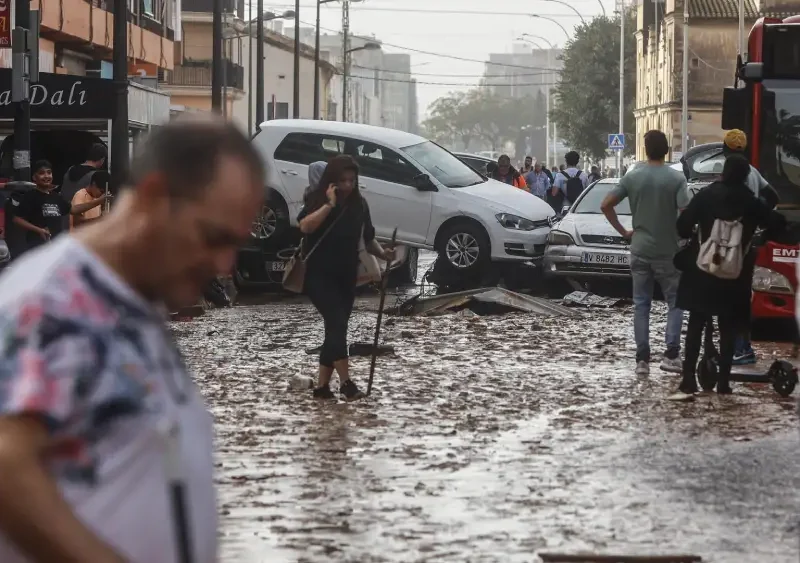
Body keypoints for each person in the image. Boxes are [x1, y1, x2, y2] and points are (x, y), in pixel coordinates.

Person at [0, 116, 263, 562]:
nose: (223, 263)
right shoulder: (55, 301)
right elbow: (6, 461)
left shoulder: (134, 299)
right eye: (214, 237)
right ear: (155, 198)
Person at [672, 154, 785, 398]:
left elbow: (682, 225)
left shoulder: (705, 195)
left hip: (701, 271)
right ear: (746, 177)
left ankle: (689, 380)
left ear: (723, 172)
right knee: (728, 326)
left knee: (696, 324)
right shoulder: (752, 203)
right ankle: (723, 383)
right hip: (735, 275)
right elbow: (778, 224)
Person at [299, 155, 395, 401]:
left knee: (335, 329)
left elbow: (368, 238)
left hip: (346, 277)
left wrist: (383, 254)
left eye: (352, 180)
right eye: (342, 181)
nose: (348, 185)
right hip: (319, 276)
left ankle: (321, 388)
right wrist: (329, 205)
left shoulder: (360, 205)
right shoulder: (317, 200)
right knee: (337, 325)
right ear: (332, 181)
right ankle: (346, 383)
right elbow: (305, 227)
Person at [601, 130, 689, 375]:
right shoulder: (676, 179)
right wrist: (682, 236)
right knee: (675, 302)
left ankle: (642, 361)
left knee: (641, 304)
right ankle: (671, 354)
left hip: (638, 248)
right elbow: (686, 211)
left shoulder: (633, 176)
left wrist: (624, 231)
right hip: (668, 251)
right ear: (667, 150)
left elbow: (605, 204)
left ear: (645, 149)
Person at [721, 129, 779, 365]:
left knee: (731, 297)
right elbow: (772, 196)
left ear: (724, 149)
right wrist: (758, 219)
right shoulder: (753, 171)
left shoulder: (735, 174)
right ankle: (738, 347)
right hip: (748, 242)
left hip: (733, 243)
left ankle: (740, 348)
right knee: (741, 295)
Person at [13, 160, 108, 254]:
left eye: (49, 173)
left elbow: (73, 209)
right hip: (37, 249)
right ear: (34, 177)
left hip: (54, 247)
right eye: (41, 173)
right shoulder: (31, 196)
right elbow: (17, 219)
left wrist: (99, 201)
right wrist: (38, 230)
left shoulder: (56, 196)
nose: (46, 176)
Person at [60, 143, 108, 209]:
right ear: (102, 160)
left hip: (64, 214)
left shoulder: (70, 169)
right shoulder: (96, 176)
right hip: (82, 215)